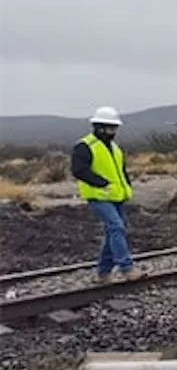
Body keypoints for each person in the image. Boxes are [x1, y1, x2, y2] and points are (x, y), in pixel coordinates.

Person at [71, 106, 144, 283]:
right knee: (116, 227)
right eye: (111, 128)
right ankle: (127, 267)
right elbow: (79, 170)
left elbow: (121, 171)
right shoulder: (85, 146)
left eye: (115, 128)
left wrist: (127, 187)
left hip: (116, 196)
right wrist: (101, 183)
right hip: (98, 196)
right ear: (99, 127)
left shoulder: (115, 148)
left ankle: (103, 272)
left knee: (113, 231)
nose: (114, 132)